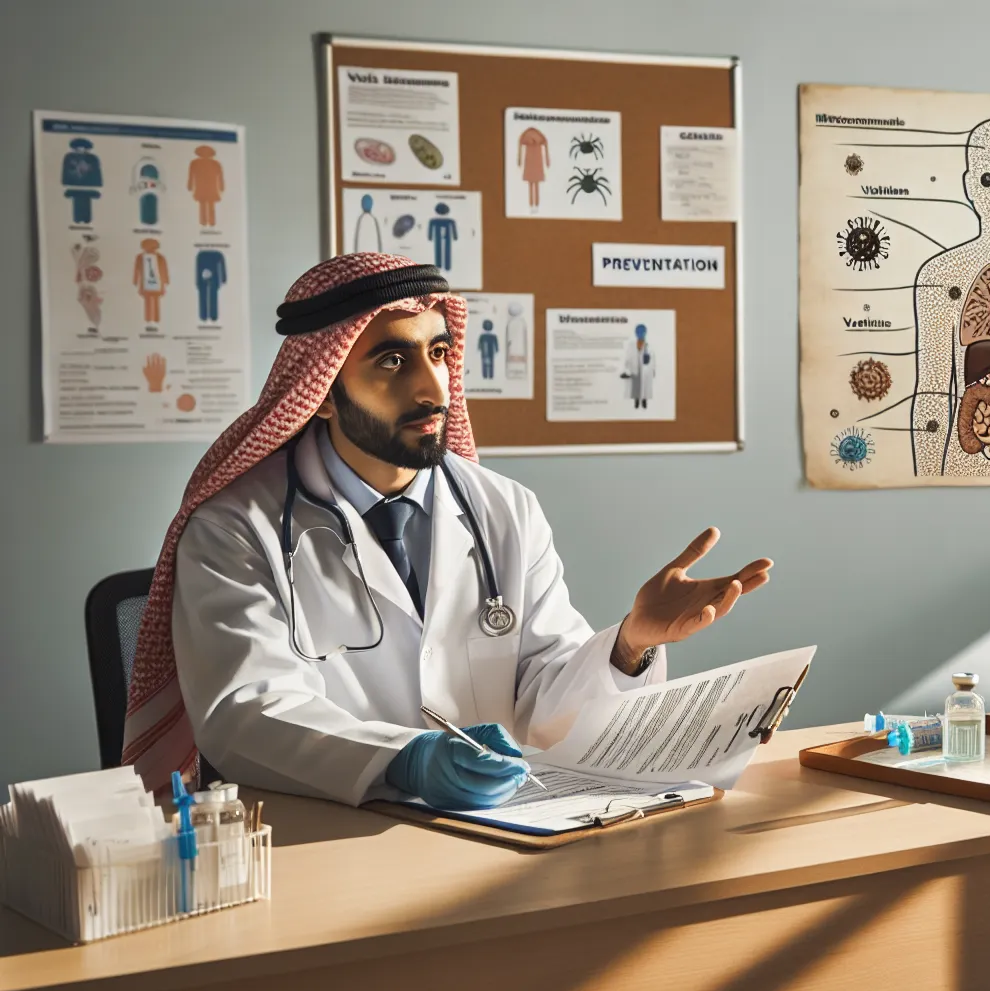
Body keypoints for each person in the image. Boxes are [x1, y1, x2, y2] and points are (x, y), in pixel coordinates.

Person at [120, 253, 773, 809]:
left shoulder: (504, 509)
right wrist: (405, 760)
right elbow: (245, 714)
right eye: (392, 363)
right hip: (323, 843)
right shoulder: (236, 529)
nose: (434, 388)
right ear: (319, 391)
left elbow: (546, 696)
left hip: (495, 831)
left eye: (438, 353)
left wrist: (631, 645)